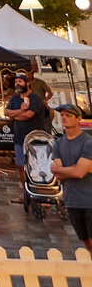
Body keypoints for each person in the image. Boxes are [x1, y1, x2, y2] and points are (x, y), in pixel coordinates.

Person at [49, 104, 92, 254]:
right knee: (85, 241)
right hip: (72, 200)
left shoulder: (88, 142)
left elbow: (79, 172)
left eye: (68, 115)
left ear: (79, 118)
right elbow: (57, 173)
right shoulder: (58, 143)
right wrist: (72, 170)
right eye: (62, 115)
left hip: (89, 200)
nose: (64, 118)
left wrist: (64, 170)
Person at [8, 74, 50, 204]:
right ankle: (25, 192)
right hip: (19, 138)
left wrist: (15, 115)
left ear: (27, 84)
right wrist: (19, 111)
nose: (17, 84)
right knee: (21, 166)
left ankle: (41, 192)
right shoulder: (15, 99)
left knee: (37, 166)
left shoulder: (36, 98)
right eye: (15, 82)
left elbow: (29, 115)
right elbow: (6, 112)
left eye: (20, 81)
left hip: (35, 139)